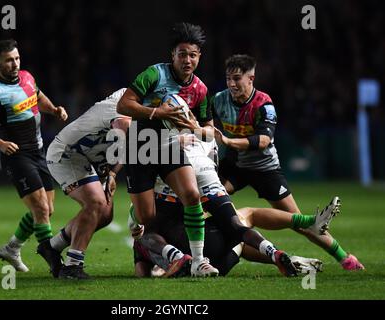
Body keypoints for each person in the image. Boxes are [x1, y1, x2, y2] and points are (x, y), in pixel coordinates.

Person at [212, 54, 364, 271]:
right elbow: (205, 123)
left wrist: (228, 140)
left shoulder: (264, 104)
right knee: (207, 198)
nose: (231, 84)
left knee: (299, 223)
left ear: (251, 78)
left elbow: (263, 141)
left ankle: (346, 259)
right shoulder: (218, 100)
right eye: (228, 79)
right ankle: (198, 253)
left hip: (265, 169)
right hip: (235, 166)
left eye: (237, 79)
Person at [130, 136, 337, 277]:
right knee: (245, 218)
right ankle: (293, 237)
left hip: (199, 258)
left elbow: (141, 269)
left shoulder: (153, 186)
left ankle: (179, 258)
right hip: (213, 250)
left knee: (146, 238)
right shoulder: (190, 165)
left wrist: (158, 267)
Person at [116, 22, 219, 276]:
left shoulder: (200, 89)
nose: (187, 60)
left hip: (170, 145)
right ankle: (134, 213)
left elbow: (209, 131)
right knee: (147, 216)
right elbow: (123, 105)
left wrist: (195, 127)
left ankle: (198, 261)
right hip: (141, 144)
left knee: (192, 195)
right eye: (182, 54)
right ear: (172, 55)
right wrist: (156, 112)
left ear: (199, 57)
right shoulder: (154, 74)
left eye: (192, 55)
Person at [0, 39, 68, 274]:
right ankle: (55, 263)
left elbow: (38, 97)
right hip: (17, 156)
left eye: (17, 58)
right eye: (8, 60)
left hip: (39, 152)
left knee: (46, 210)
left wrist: (54, 109)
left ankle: (12, 248)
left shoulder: (27, 77)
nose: (14, 64)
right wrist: (0, 143)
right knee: (41, 210)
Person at [45, 88, 131, 279]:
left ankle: (52, 246)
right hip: (66, 154)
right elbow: (123, 127)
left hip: (89, 158)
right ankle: (73, 267)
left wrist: (113, 174)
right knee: (96, 203)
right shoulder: (123, 106)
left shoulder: (135, 104)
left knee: (106, 214)